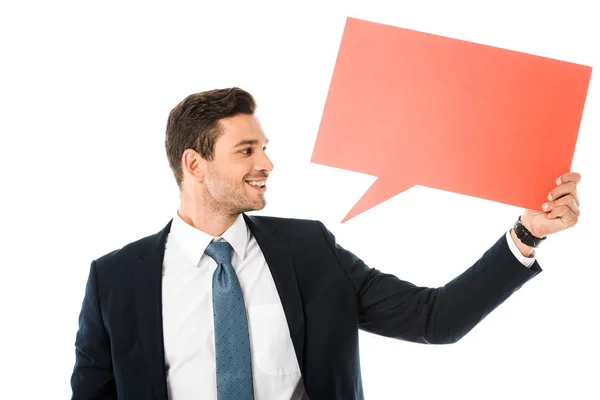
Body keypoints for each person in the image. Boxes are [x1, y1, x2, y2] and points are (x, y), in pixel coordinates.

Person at [70, 87, 582, 400]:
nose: (266, 164)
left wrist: (527, 234)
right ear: (194, 165)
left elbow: (436, 318)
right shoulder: (116, 279)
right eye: (246, 150)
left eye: (265, 149)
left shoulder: (309, 251)